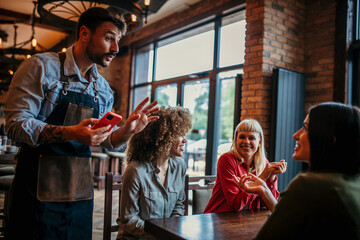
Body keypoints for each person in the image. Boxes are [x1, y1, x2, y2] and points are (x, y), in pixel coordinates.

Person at [4, 7, 159, 240]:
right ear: (85, 33)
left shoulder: (103, 88)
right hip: (35, 192)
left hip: (80, 196)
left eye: (118, 41)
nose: (116, 48)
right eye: (109, 38)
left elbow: (107, 140)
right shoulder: (41, 66)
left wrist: (127, 132)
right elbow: (15, 124)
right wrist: (71, 133)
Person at [234, 102, 360, 239]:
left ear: (330, 139)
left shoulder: (309, 185)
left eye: (305, 128)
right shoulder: (352, 183)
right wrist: (264, 189)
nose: (295, 135)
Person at [116, 106, 192, 239]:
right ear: (163, 137)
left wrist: (170, 232)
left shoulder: (179, 165)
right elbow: (129, 221)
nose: (185, 140)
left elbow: (178, 206)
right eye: (180, 134)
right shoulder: (135, 170)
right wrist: (161, 234)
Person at [204, 119, 287, 213]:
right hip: (219, 218)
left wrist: (271, 177)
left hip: (247, 220)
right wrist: (263, 176)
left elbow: (269, 206)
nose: (246, 141)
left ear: (259, 142)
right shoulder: (226, 160)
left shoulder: (264, 163)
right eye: (242, 137)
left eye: (251, 138)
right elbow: (236, 205)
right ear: (236, 140)